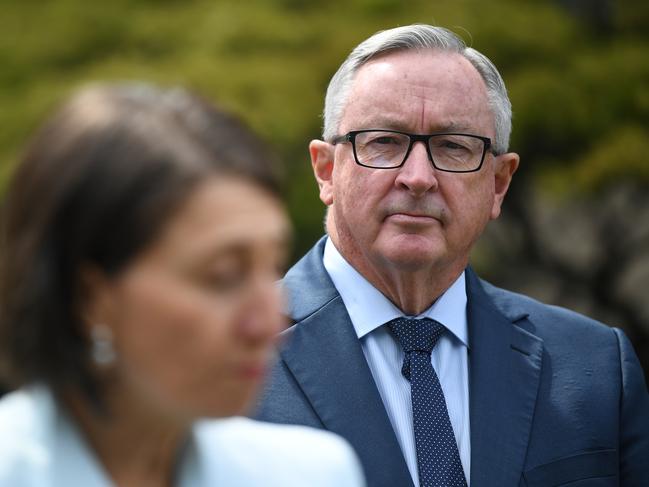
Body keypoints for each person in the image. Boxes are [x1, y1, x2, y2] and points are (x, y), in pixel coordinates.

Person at [255, 24, 649, 487]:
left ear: (498, 183)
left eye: (453, 147)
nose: (417, 177)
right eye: (384, 141)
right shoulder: (222, 356)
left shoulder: (595, 367)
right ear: (326, 171)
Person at [0, 83, 365, 487]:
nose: (268, 322)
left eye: (271, 266)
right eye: (223, 276)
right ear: (90, 297)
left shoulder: (309, 473)